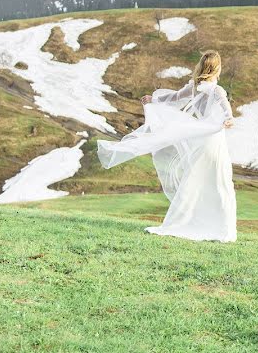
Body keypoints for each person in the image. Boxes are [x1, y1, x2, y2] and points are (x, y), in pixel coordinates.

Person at [97, 51, 237, 242]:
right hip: (214, 141)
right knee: (219, 182)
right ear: (217, 68)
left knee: (194, 180)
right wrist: (229, 119)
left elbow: (174, 97)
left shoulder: (195, 88)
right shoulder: (216, 90)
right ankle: (222, 229)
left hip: (202, 142)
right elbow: (227, 111)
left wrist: (153, 100)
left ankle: (188, 221)